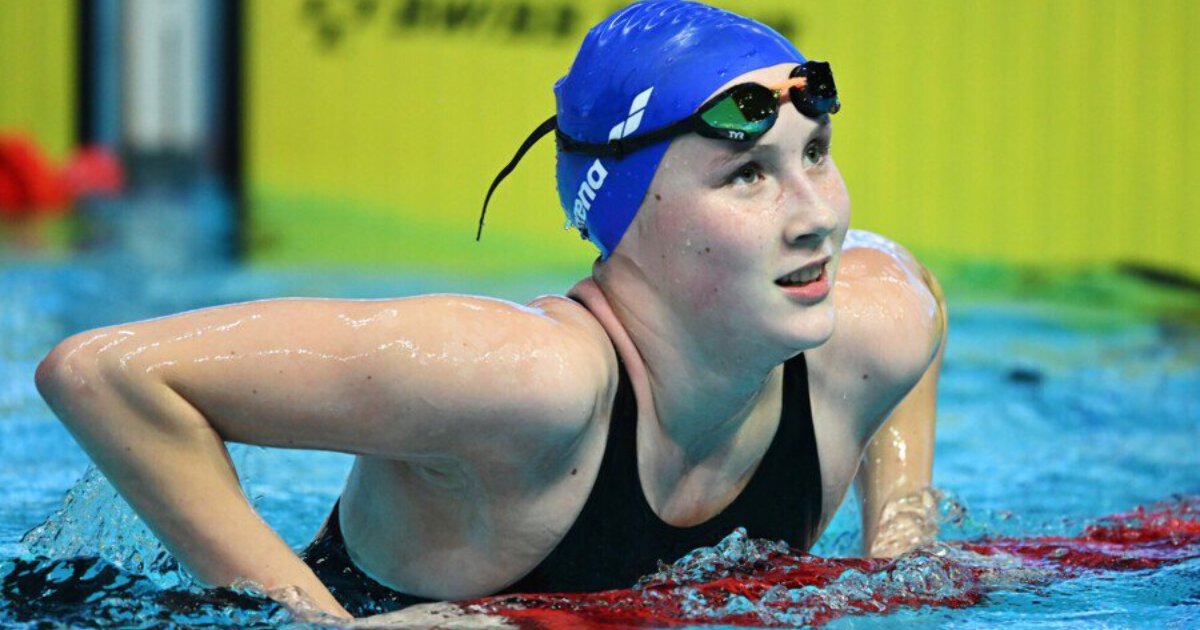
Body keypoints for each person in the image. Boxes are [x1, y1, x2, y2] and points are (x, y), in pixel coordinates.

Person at [33, 0, 946, 621]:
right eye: (747, 175)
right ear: (626, 217)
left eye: (816, 153)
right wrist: (318, 626)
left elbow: (915, 298)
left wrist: (900, 535)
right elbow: (102, 374)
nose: (818, 217)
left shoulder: (869, 335)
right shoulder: (527, 385)